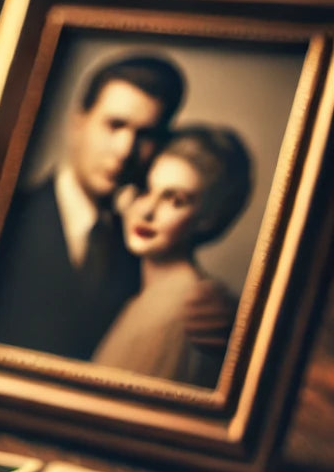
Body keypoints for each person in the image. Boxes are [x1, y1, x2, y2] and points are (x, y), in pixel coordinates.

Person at [0, 53, 234, 360]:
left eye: (145, 134)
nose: (124, 151)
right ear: (78, 123)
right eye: (115, 125)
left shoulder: (145, 241)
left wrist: (229, 318)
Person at [92, 125, 253, 386]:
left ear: (207, 219)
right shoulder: (147, 293)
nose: (147, 211)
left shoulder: (186, 309)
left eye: (175, 200)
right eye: (145, 189)